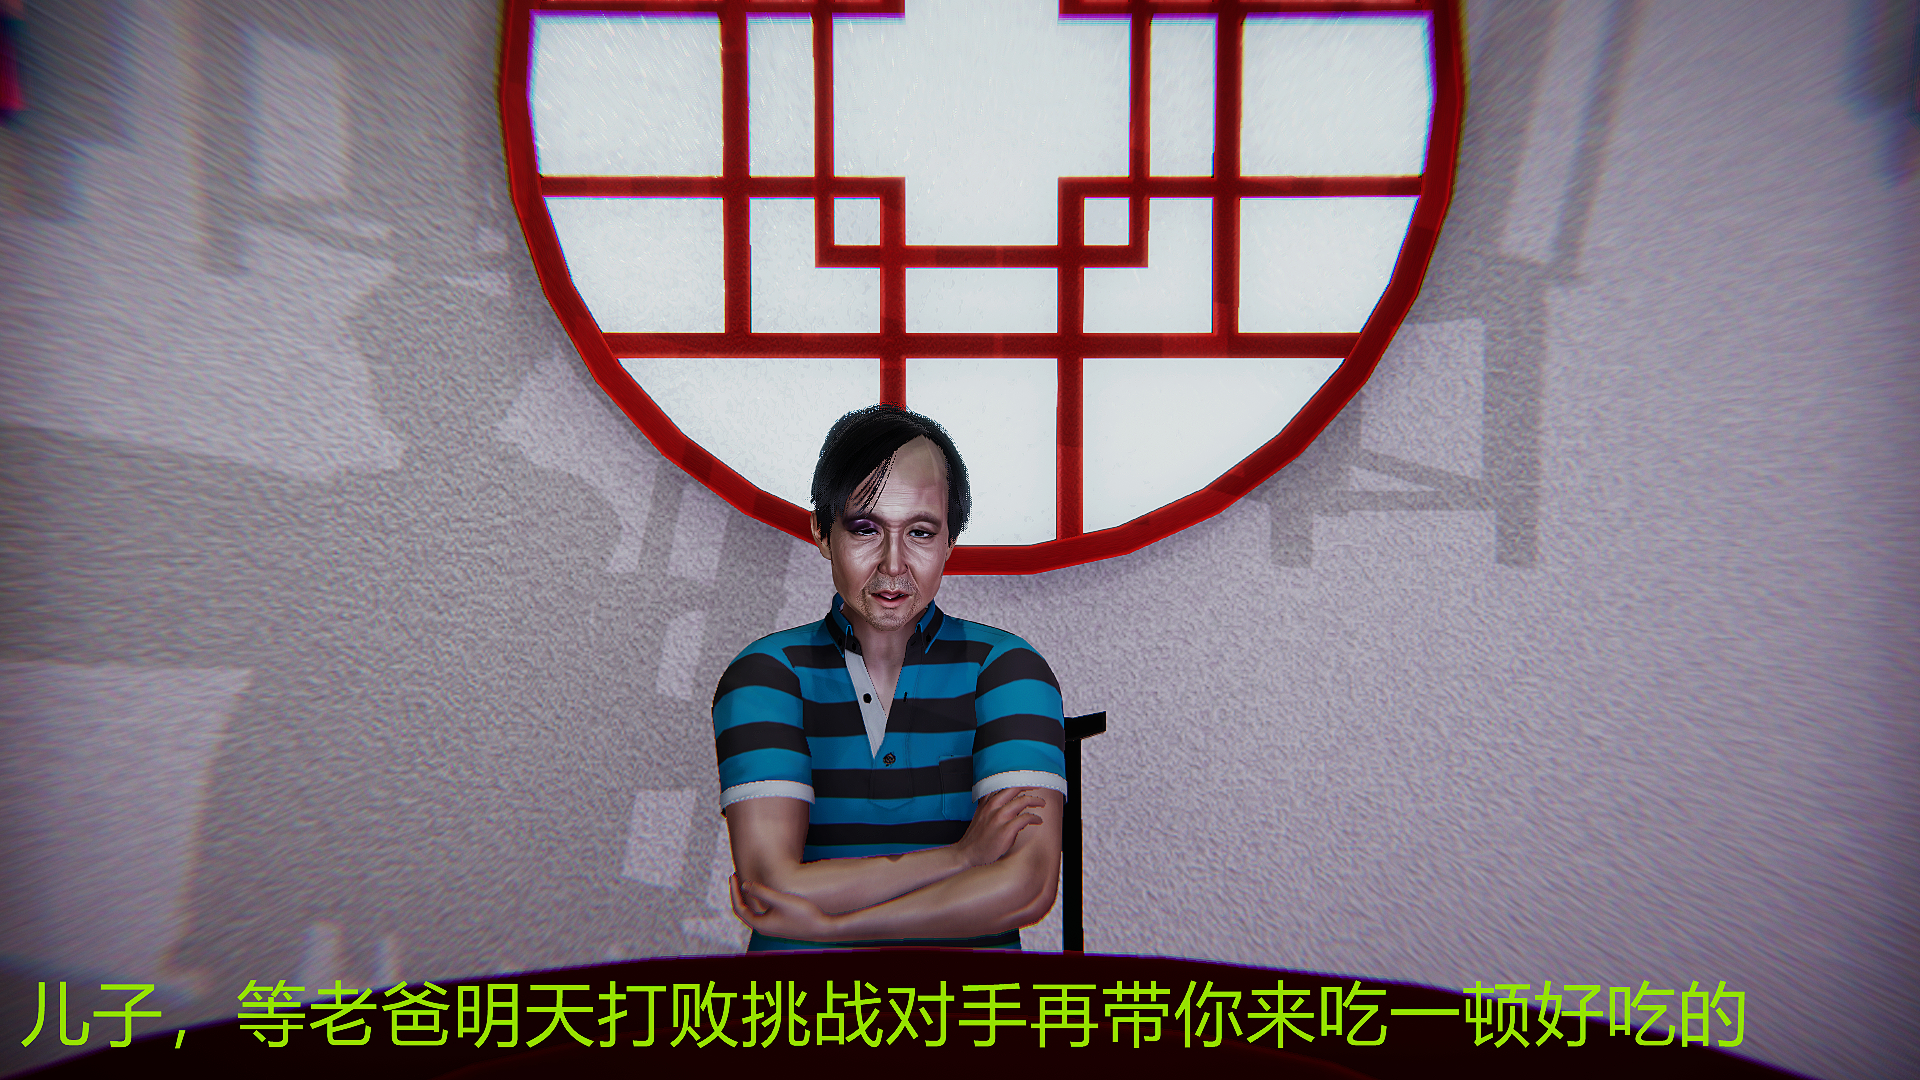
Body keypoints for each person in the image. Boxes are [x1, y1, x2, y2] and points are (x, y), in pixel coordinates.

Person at [712, 405, 1066, 950]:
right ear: (821, 533)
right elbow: (770, 887)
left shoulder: (1007, 669)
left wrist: (836, 927)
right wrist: (962, 858)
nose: (894, 564)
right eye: (865, 529)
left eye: (920, 532)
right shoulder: (766, 675)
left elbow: (1026, 885)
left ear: (950, 542)